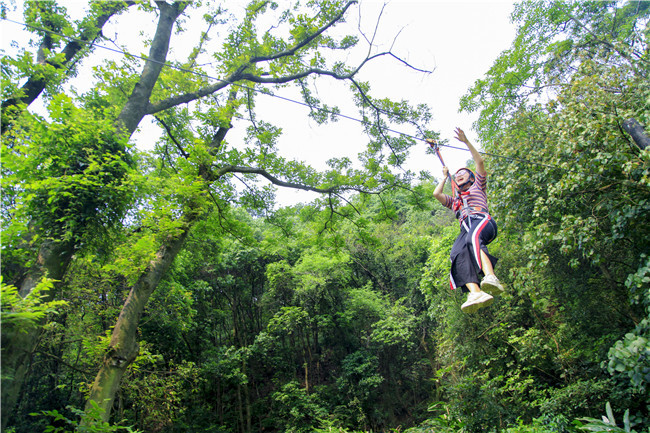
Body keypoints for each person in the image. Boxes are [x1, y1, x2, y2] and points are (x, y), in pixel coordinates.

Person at [428, 128, 504, 313]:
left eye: (464, 173)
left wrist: (466, 141)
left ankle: (491, 276)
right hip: (466, 228)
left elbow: (479, 161)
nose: (459, 174)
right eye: (457, 174)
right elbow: (436, 194)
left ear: (471, 178)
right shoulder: (456, 202)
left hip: (482, 220)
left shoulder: (478, 186)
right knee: (457, 253)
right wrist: (445, 177)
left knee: (472, 239)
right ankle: (476, 292)